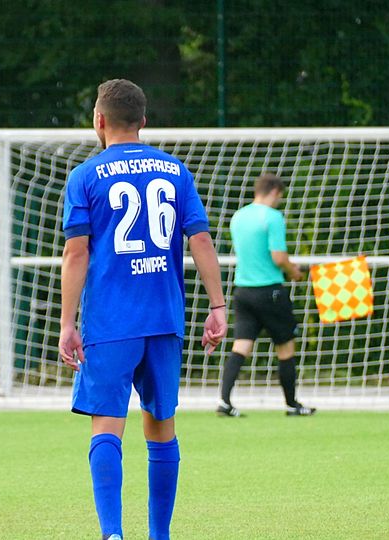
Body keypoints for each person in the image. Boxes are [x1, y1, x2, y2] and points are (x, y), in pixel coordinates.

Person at [59, 78, 227, 540]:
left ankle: (113, 534)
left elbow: (76, 253)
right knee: (161, 427)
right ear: (143, 121)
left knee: (107, 425)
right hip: (164, 318)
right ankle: (160, 536)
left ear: (99, 121)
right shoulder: (175, 171)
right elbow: (201, 240)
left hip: (111, 321)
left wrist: (68, 323)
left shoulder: (86, 176)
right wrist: (217, 305)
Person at [217, 173, 314, 417]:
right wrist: (294, 271)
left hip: (243, 291)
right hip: (270, 291)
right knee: (286, 347)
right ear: (274, 192)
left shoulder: (238, 216)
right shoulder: (272, 217)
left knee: (241, 346)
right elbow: (278, 257)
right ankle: (292, 405)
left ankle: (225, 402)